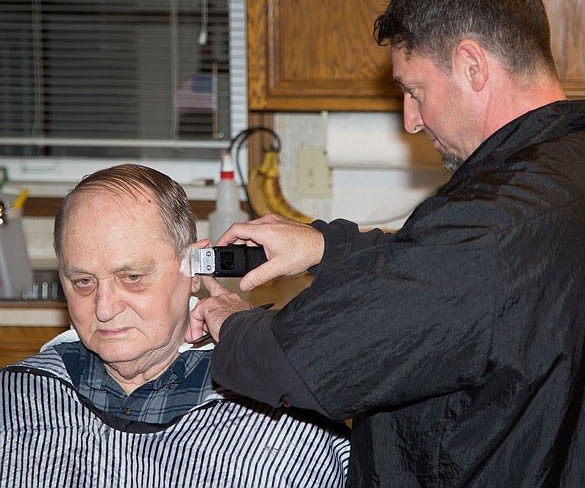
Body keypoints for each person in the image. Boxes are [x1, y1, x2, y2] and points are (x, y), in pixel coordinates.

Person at [187, 0, 585, 487]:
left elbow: (293, 362)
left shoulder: (487, 226)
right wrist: (324, 247)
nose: (411, 120)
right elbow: (456, 279)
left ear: (472, 66)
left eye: (415, 91)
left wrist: (227, 317)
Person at [0, 164, 350, 488]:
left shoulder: (288, 424)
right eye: (82, 282)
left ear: (193, 268)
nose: (104, 309)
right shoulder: (13, 402)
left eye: (133, 277)